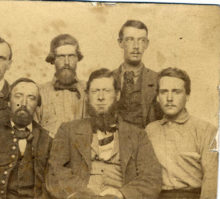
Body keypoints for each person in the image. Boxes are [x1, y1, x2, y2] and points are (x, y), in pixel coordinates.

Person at [46, 68, 162, 199]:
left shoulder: (137, 135)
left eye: (106, 91)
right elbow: (54, 172)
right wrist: (82, 194)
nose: (100, 97)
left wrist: (122, 193)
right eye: (95, 91)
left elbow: (152, 178)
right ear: (87, 96)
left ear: (117, 95)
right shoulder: (68, 130)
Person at [0, 78, 52, 199]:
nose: (24, 103)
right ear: (8, 101)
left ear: (37, 105)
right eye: (18, 96)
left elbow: (52, 183)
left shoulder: (47, 140)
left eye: (31, 98)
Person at [146, 67, 218, 199]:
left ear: (187, 96)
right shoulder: (150, 131)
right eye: (164, 92)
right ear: (157, 97)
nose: (169, 98)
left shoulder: (206, 131)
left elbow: (212, 180)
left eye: (176, 92)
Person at [113, 20, 162, 128]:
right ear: (120, 43)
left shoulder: (158, 80)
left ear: (146, 44)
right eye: (130, 39)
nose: (136, 46)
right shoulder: (107, 79)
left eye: (141, 40)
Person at [36, 34, 86, 138]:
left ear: (78, 58)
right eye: (61, 56)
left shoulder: (89, 90)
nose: (67, 62)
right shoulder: (39, 92)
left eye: (71, 56)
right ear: (53, 59)